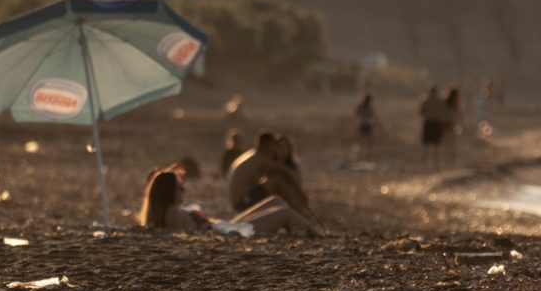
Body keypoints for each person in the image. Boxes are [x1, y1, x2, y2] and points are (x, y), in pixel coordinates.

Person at [140, 167, 317, 235]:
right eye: (180, 187)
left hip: (224, 227)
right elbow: (178, 237)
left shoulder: (169, 210)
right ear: (168, 192)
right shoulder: (172, 212)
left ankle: (303, 230)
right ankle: (317, 235)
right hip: (227, 233)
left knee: (275, 200)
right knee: (283, 212)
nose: (184, 190)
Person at [419, 86, 445, 169]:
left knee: (426, 145)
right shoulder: (440, 101)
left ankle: (425, 165)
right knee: (436, 145)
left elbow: (421, 112)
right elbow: (444, 112)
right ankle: (436, 166)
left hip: (428, 123)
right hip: (437, 123)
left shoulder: (426, 101)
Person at [354, 92, 380, 159]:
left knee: (365, 140)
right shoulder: (363, 107)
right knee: (365, 140)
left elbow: (357, 115)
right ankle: (364, 153)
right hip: (364, 124)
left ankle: (365, 153)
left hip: (365, 124)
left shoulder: (364, 107)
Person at [442, 86, 464, 167]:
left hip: (445, 125)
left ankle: (447, 162)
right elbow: (459, 115)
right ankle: (451, 163)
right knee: (452, 145)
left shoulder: (444, 102)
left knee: (446, 145)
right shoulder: (456, 104)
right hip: (451, 125)